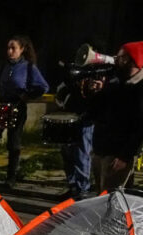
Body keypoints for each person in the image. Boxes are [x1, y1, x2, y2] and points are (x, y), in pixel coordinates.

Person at [0, 35, 49, 186]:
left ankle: (10, 178)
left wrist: (28, 95)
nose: (10, 51)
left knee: (13, 143)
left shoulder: (28, 67)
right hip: (1, 105)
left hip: (17, 105)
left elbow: (43, 87)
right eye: (8, 48)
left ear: (22, 49)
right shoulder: (4, 66)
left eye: (13, 48)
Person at [87, 41, 143, 192]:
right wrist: (96, 94)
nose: (116, 60)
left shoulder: (139, 88)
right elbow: (96, 113)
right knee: (102, 195)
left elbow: (140, 127)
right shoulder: (116, 82)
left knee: (110, 198)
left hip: (118, 153)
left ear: (133, 60)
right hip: (101, 148)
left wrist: (125, 156)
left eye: (121, 57)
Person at [54, 61, 94, 199]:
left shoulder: (90, 82)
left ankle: (82, 188)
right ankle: (73, 186)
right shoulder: (68, 85)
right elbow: (60, 98)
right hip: (68, 120)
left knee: (82, 155)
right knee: (67, 155)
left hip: (84, 121)